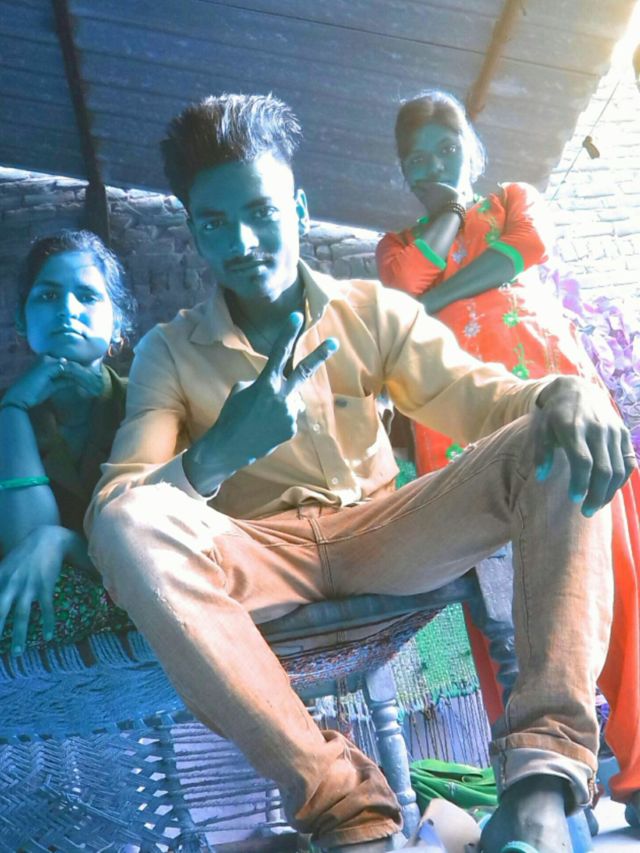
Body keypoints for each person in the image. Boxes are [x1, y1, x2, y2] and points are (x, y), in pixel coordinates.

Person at [84, 94, 635, 853]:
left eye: (261, 212)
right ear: (193, 230)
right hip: (259, 552)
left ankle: (540, 784)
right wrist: (217, 453)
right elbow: (118, 502)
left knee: (559, 431)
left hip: (387, 532)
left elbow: (483, 401)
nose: (241, 242)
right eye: (214, 223)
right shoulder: (168, 352)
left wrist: (559, 393)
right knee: (126, 524)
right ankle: (346, 809)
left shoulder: (371, 311)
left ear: (300, 209)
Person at [376, 89, 640, 827]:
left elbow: (524, 248)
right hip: (464, 432)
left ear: (475, 149)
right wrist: (447, 220)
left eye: (447, 147)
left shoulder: (513, 201)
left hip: (566, 403)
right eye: (416, 159)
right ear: (402, 171)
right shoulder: (396, 243)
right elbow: (401, 285)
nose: (434, 165)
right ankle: (532, 791)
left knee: (617, 578)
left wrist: (432, 302)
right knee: (501, 604)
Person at [0, 230, 135, 656]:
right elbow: (21, 549)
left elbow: (152, 548)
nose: (67, 310)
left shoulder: (148, 403)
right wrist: (13, 410)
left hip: (136, 594)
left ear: (119, 322)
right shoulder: (5, 415)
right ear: (21, 320)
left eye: (88, 296)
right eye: (47, 296)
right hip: (37, 618)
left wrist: (62, 541)